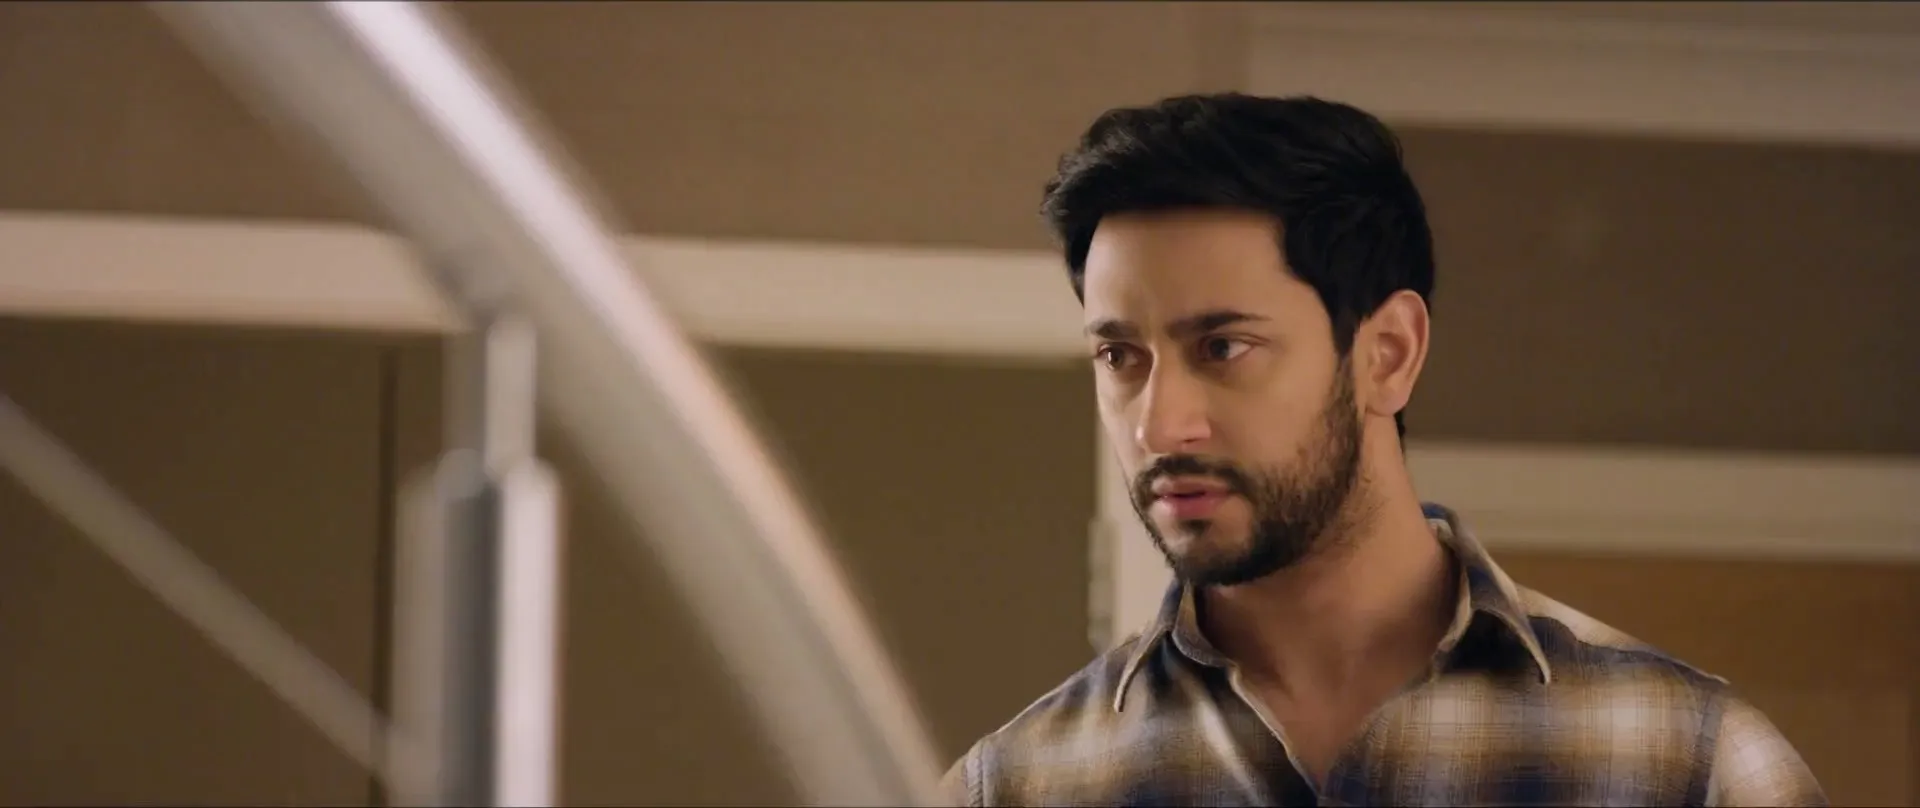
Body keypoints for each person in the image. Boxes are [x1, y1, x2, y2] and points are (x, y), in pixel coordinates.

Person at [940, 94, 1825, 807]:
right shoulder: (1017, 788)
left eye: (1223, 347)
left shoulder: (1688, 765)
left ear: (1387, 355)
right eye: (1119, 357)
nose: (1158, 427)